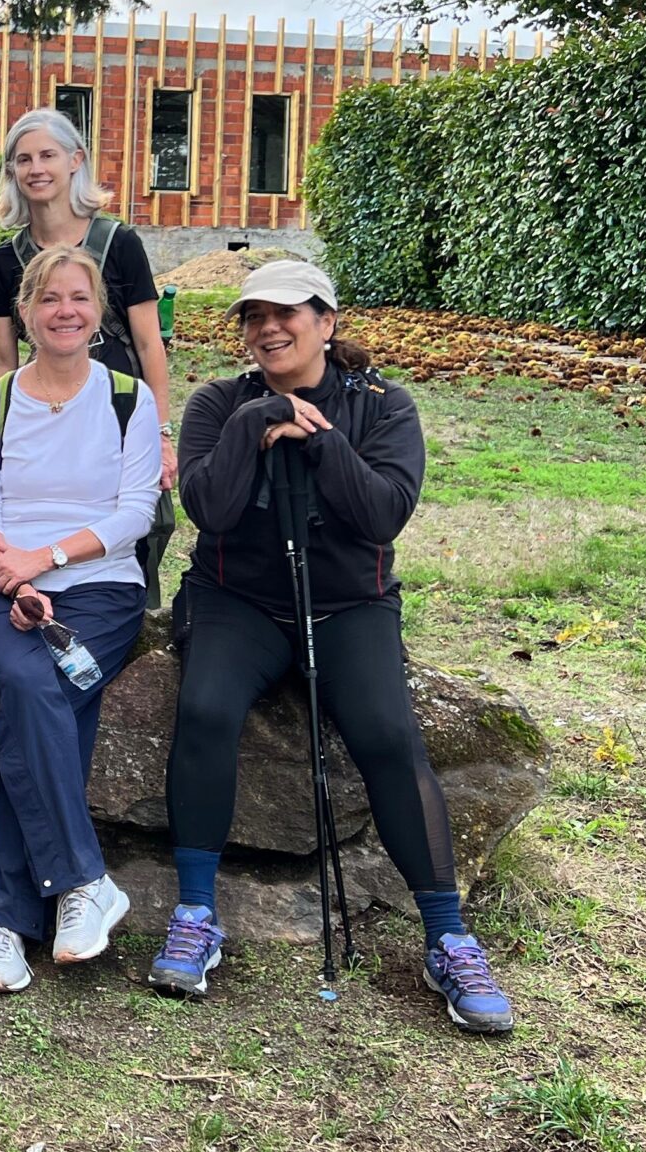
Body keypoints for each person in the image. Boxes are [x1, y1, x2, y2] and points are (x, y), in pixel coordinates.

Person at [153, 260, 514, 1035]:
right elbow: (209, 509)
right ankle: (195, 914)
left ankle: (448, 934)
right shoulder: (221, 402)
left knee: (387, 733)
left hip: (350, 605)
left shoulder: (383, 405)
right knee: (207, 709)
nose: (268, 329)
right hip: (237, 601)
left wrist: (319, 442)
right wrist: (256, 425)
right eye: (254, 317)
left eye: (287, 313)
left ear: (326, 321)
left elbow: (382, 514)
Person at [0, 249, 161, 993]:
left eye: (79, 298)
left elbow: (135, 514)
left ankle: (5, 921)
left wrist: (43, 560)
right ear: (27, 312)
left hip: (101, 590)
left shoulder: (127, 400)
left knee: (23, 719)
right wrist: (10, 569)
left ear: (98, 310)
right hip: (1, 586)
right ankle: (84, 882)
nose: (65, 311)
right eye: (50, 299)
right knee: (33, 688)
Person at [0, 108, 178, 587]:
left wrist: (163, 432)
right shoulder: (4, 261)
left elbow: (150, 344)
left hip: (116, 413)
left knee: (136, 522)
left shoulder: (120, 243)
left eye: (47, 155)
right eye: (23, 160)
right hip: (44, 411)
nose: (36, 169)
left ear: (76, 161)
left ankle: (127, 613)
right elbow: (3, 356)